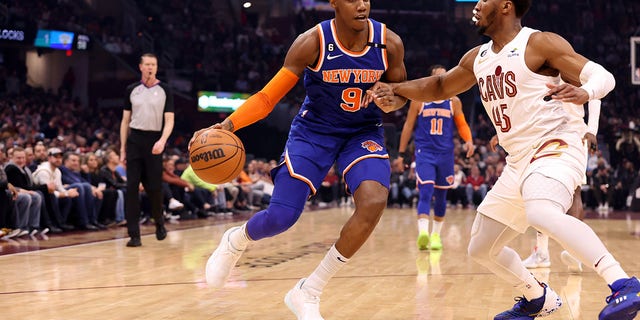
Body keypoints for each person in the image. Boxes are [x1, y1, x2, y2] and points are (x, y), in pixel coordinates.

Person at [365, 0, 640, 319]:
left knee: (540, 210)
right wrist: (396, 89)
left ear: (506, 6)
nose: (477, 4)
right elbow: (440, 85)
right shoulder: (477, 58)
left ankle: (623, 283)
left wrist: (587, 91)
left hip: (557, 143)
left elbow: (602, 76)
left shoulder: (539, 44)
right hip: (519, 159)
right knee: (481, 247)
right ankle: (537, 296)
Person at [191, 0, 407, 318]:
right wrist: (227, 125)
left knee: (374, 201)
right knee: (283, 217)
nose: (362, 5)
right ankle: (236, 239)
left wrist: (394, 100)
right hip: (314, 132)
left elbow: (400, 92)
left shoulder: (389, 42)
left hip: (362, 132)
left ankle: (309, 290)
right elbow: (267, 98)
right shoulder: (312, 42)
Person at [393, 64, 474, 251]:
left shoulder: (454, 102)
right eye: (438, 77)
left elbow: (461, 124)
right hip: (425, 152)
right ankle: (423, 233)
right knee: (426, 191)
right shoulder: (420, 101)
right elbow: (408, 126)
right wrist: (401, 154)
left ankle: (436, 235)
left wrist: (468, 140)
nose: (442, 80)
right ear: (430, 80)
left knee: (441, 196)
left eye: (445, 76)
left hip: (445, 154)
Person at [519, 99, 601, 272]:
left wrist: (592, 130)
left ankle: (574, 251)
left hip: (571, 133)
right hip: (545, 132)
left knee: (573, 191)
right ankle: (543, 252)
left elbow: (595, 95)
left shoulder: (576, 72)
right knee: (542, 188)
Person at [119, 53, 174, 247]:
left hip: (154, 141)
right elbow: (125, 121)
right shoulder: (131, 90)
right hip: (135, 140)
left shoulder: (165, 89)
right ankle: (134, 235)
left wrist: (162, 140)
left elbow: (170, 120)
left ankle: (159, 222)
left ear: (157, 67)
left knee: (154, 188)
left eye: (154, 64)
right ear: (141, 67)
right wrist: (122, 149)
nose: (151, 67)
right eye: (147, 64)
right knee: (131, 188)